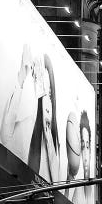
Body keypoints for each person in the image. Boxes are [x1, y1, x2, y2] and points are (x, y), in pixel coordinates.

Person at [27, 54, 60, 183]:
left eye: (50, 95)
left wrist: (49, 140)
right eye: (44, 93)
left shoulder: (55, 141)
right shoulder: (27, 123)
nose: (47, 102)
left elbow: (58, 185)